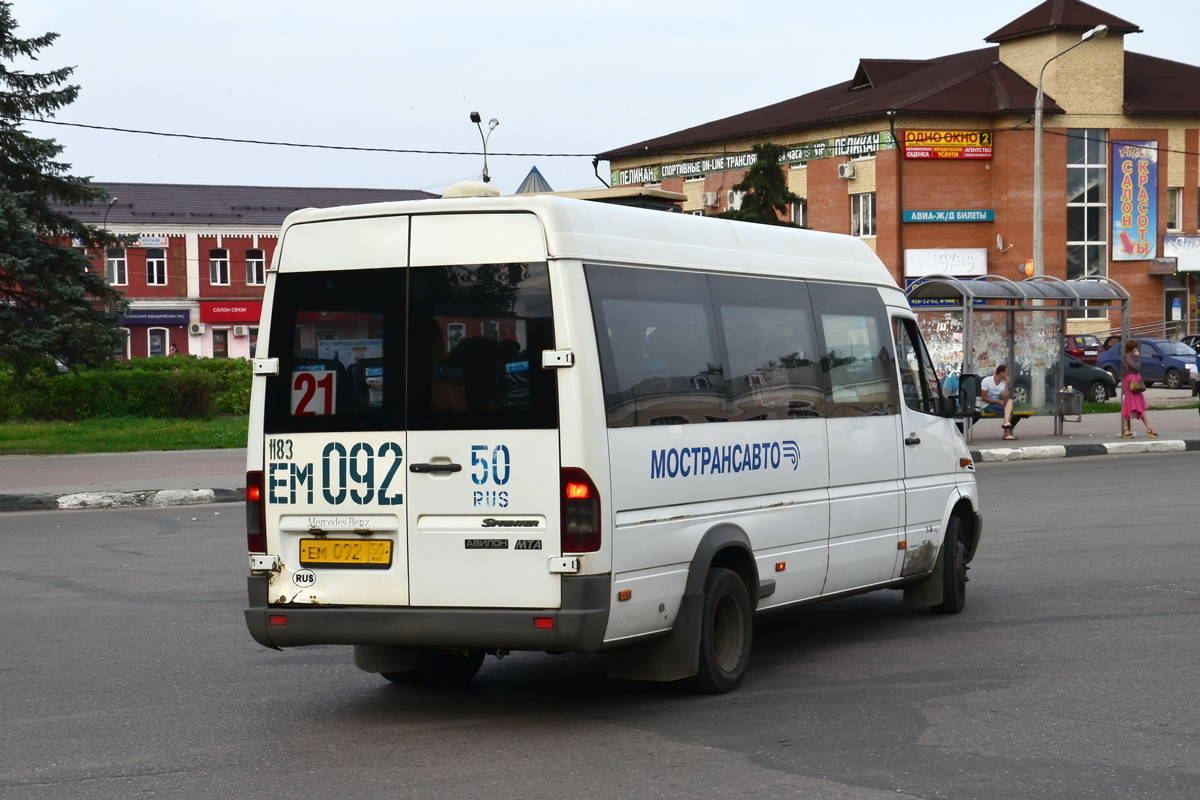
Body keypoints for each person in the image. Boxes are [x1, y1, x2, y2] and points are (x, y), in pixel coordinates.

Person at [1120, 340, 1157, 438]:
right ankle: (1125, 429)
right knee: (1128, 405)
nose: (1137, 349)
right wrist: (1138, 357)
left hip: (1136, 385)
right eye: (1135, 348)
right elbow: (1136, 367)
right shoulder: (1127, 356)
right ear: (1132, 348)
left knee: (1140, 406)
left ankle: (1149, 427)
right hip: (1130, 384)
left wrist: (1137, 357)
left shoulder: (1132, 357)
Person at [980, 364, 1016, 440]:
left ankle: (1006, 422)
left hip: (998, 403)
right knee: (1010, 411)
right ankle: (1006, 433)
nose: (1007, 374)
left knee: (1010, 401)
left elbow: (1005, 397)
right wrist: (997, 402)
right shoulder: (987, 381)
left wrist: (1006, 385)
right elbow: (983, 397)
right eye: (1006, 372)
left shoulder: (1003, 382)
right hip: (987, 405)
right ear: (1001, 372)